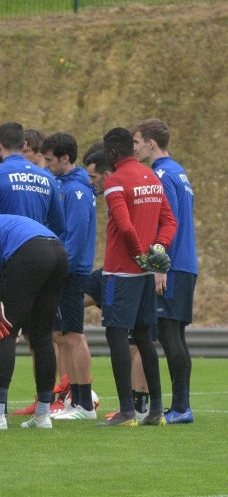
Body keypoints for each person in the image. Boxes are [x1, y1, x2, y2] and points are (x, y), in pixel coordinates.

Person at [0, 214, 70, 430]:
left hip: (31, 251)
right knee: (41, 335)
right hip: (58, 251)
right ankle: (43, 415)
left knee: (2, 330)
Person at [97, 127, 177, 427]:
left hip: (121, 270)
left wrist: (138, 253)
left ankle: (127, 411)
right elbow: (170, 221)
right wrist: (158, 248)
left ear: (112, 153)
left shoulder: (116, 181)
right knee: (144, 336)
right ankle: (156, 410)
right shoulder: (152, 178)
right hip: (145, 273)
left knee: (116, 334)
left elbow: (125, 226)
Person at [132, 119, 197, 424]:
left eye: (137, 142)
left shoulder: (160, 174)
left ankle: (181, 407)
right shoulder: (179, 171)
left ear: (151, 144)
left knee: (170, 334)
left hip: (171, 264)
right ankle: (181, 406)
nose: (135, 148)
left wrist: (159, 266)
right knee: (176, 335)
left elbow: (164, 223)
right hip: (185, 263)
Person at [40, 132, 97, 420]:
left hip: (70, 273)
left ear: (65, 158)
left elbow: (75, 237)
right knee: (63, 336)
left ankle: (85, 404)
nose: (45, 164)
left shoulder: (76, 191)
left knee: (74, 336)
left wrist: (60, 269)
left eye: (50, 160)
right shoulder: (63, 185)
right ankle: (75, 400)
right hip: (62, 271)